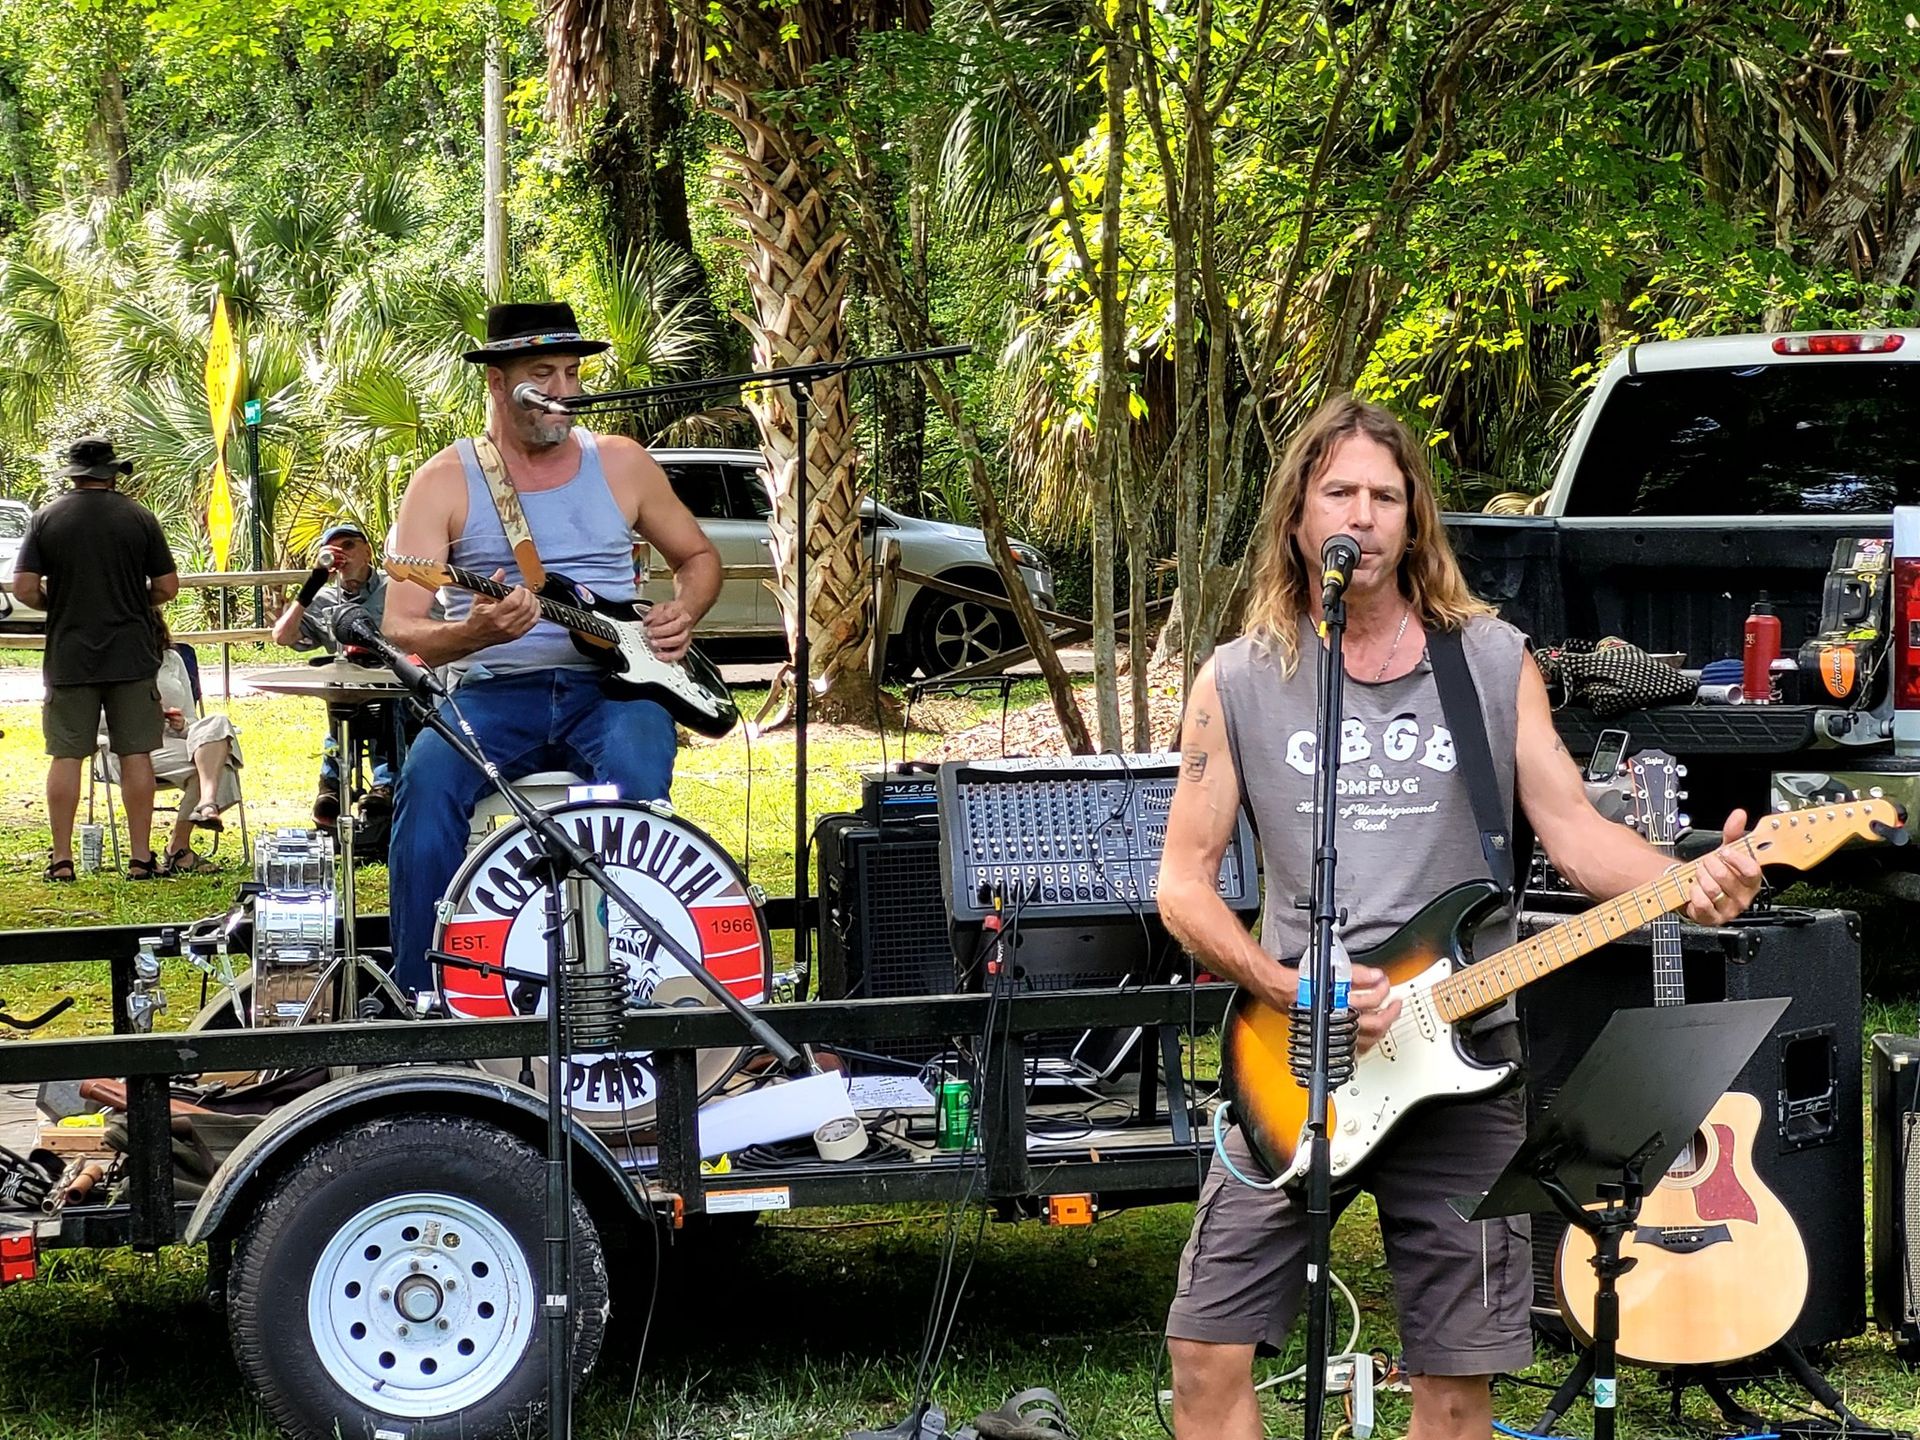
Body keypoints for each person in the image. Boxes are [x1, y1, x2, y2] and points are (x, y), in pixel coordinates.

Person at [1156, 394, 1765, 1440]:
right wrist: (1287, 985)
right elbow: (1183, 883)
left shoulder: (1486, 660)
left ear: (1415, 517)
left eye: (1386, 496)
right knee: (1205, 1350)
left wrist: (1688, 874)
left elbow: (1572, 832)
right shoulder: (1240, 678)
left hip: (1464, 1057)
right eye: (1340, 491)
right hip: (1292, 1055)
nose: (1365, 513)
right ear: (1299, 514)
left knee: (1454, 1377)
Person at [381, 300, 722, 995]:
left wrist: (682, 611)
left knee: (638, 770)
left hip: (615, 692)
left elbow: (698, 558)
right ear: (498, 384)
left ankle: (634, 977)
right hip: (491, 692)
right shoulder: (444, 479)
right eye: (544, 373)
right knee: (426, 785)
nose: (566, 389)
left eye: (572, 371)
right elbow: (400, 625)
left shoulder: (622, 462)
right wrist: (470, 633)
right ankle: (420, 995)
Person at [12, 435, 179, 881]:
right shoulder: (139, 518)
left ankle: (62, 859)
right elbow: (166, 587)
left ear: (74, 473)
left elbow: (25, 588)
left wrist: (62, 600)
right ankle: (142, 857)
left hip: (69, 655)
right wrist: (129, 596)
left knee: (66, 755)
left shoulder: (46, 519)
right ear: (111, 474)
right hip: (131, 654)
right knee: (136, 753)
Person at [270, 520, 404, 827]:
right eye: (332, 549)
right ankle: (332, 787)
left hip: (394, 688)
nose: (341, 555)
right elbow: (282, 636)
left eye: (348, 546)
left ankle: (385, 783)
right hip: (346, 689)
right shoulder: (324, 600)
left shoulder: (395, 588)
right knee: (339, 705)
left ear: (368, 551)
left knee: (387, 705)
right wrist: (312, 585)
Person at [107, 613, 241, 875]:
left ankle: (202, 809)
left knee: (218, 725)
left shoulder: (172, 659)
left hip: (173, 739)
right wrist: (144, 715)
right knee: (220, 764)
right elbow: (97, 719)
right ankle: (182, 846)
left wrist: (183, 725)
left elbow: (191, 716)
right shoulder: (110, 662)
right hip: (131, 745)